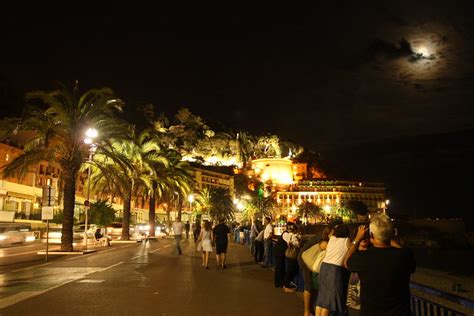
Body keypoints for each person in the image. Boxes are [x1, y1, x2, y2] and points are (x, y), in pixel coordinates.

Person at [346, 214, 416, 316]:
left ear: (371, 234)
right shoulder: (405, 255)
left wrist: (357, 239)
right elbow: (404, 254)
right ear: (392, 233)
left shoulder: (363, 257)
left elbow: (347, 261)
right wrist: (388, 237)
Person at [316, 224, 351, 316]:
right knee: (328, 301)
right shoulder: (346, 240)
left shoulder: (332, 239)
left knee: (322, 297)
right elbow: (352, 249)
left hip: (324, 267)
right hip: (334, 269)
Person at [298, 227, 332, 316]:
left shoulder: (324, 235)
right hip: (304, 259)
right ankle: (307, 312)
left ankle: (310, 310)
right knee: (308, 285)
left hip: (308, 259)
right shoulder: (323, 238)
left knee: (312, 286)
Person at [283, 222, 301, 293]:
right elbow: (296, 244)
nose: (290, 229)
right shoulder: (292, 235)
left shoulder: (288, 234)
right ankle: (286, 286)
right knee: (290, 270)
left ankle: (287, 284)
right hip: (292, 254)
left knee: (290, 269)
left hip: (290, 255)